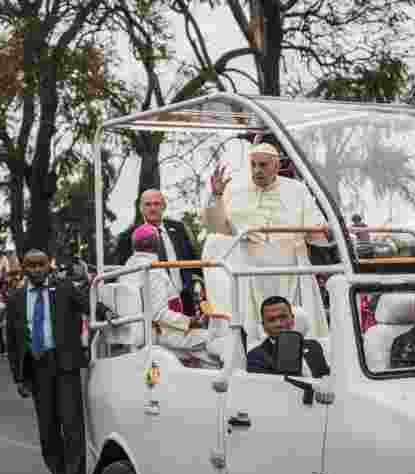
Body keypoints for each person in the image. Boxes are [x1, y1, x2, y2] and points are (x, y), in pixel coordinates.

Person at [202, 142, 329, 340]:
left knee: (295, 323)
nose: (257, 170)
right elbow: (218, 229)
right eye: (253, 165)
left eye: (263, 165)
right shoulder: (234, 189)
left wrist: (328, 234)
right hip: (252, 269)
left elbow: (315, 230)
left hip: (290, 269)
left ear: (276, 167)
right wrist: (217, 195)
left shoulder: (297, 189)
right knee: (252, 325)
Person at [6, 249, 90, 474]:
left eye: (41, 264)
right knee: (48, 429)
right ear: (24, 268)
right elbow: (12, 340)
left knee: (71, 424)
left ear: (48, 265)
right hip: (37, 368)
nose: (36, 269)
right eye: (31, 265)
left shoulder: (64, 288)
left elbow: (89, 305)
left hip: (64, 364)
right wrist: (19, 378)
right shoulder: (16, 298)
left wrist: (107, 310)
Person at [121, 224, 215, 365]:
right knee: (216, 340)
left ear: (134, 247)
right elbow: (158, 314)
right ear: (158, 245)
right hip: (161, 333)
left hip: (147, 332)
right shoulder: (153, 271)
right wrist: (191, 322)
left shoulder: (126, 270)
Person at [113, 189, 199, 316]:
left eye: (156, 204)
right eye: (148, 204)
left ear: (164, 206)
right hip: (151, 308)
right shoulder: (128, 237)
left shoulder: (179, 229)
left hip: (185, 302)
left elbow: (194, 263)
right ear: (141, 208)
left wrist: (200, 286)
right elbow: (119, 273)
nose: (152, 208)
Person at [246, 296, 329, 377]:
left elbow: (326, 377)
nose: (278, 324)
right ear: (264, 326)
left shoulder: (313, 346)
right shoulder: (255, 357)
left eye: (283, 317)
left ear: (292, 319)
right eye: (271, 320)